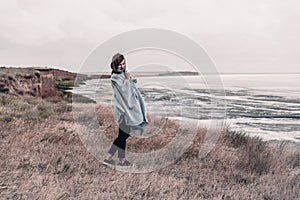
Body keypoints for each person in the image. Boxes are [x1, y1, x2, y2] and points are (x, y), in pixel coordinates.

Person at [103, 53, 148, 167]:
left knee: (123, 136)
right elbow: (125, 93)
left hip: (128, 110)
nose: (122, 66)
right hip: (123, 111)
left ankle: (116, 159)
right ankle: (112, 159)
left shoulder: (122, 75)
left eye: (124, 64)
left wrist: (129, 79)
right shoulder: (115, 78)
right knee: (123, 136)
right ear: (115, 65)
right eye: (120, 65)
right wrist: (128, 79)